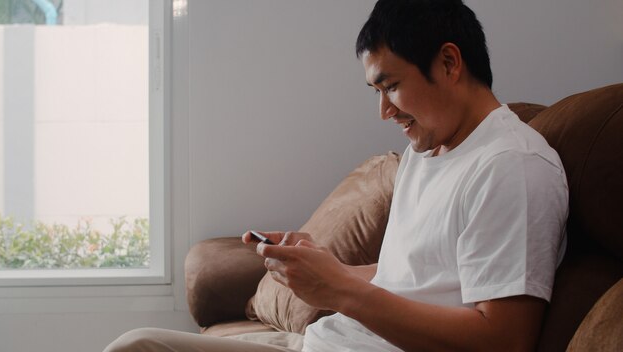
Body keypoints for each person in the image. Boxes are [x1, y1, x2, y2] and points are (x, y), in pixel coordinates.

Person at [104, 0, 568, 351]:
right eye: (376, 90)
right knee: (137, 344)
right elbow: (415, 279)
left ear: (449, 63)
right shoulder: (428, 151)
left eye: (391, 86)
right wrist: (329, 269)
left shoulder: (512, 168)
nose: (383, 110)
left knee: (137, 348)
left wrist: (341, 290)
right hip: (326, 342)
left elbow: (504, 341)